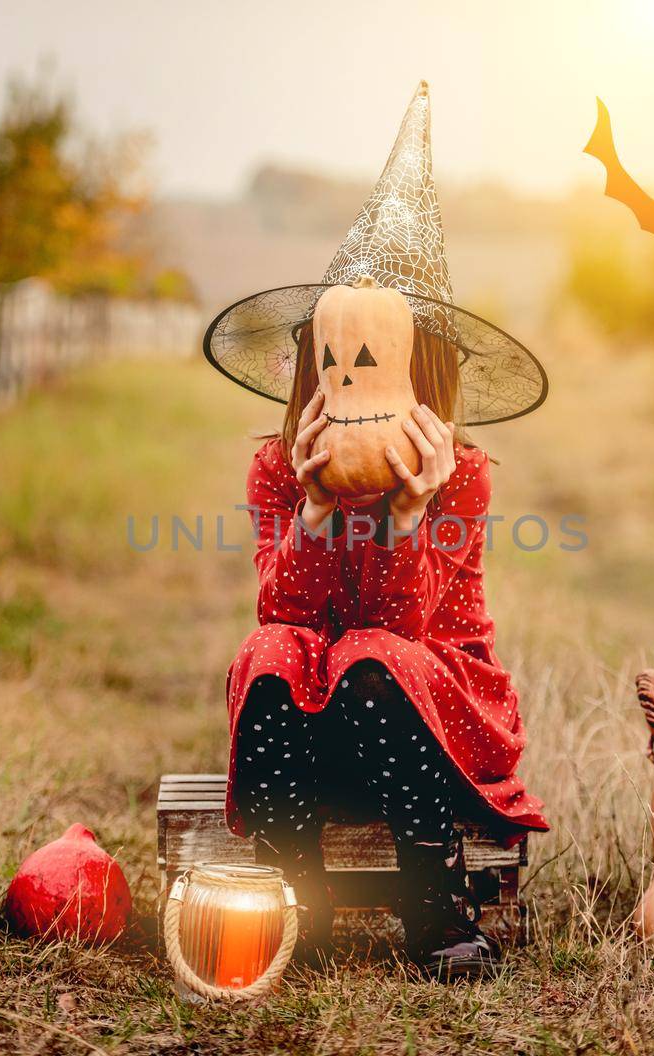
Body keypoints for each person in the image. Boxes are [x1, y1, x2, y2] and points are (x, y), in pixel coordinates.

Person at [202, 82, 549, 979]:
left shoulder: (458, 475)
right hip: (313, 735)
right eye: (336, 357)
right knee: (273, 648)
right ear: (312, 363)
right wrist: (316, 509)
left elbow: (406, 630)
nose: (351, 376)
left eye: (375, 358)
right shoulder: (280, 468)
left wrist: (405, 513)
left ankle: (433, 909)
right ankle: (296, 904)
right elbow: (279, 602)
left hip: (429, 718)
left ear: (419, 368)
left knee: (373, 656)